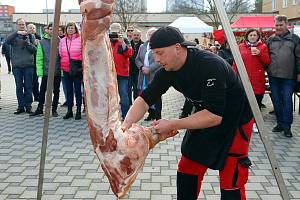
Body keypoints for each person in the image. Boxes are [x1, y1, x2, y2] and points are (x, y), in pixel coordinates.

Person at [122, 26, 253, 200]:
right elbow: (144, 99)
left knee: (231, 180)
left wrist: (173, 124)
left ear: (177, 48)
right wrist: (125, 127)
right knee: (188, 168)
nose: (156, 59)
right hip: (203, 116)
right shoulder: (167, 71)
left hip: (235, 120)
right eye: (154, 53)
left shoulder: (209, 65)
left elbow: (214, 115)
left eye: (160, 53)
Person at [266, 15, 300, 138]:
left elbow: (299, 57)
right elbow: (265, 57)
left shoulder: (295, 39)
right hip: (273, 76)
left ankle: (287, 127)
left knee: (286, 100)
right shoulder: (270, 39)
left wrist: (299, 73)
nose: (278, 27)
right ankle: (280, 124)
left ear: (286, 24)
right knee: (276, 101)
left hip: (289, 76)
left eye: (281, 25)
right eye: (276, 25)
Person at [233, 29, 270, 132]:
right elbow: (236, 62)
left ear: (258, 37)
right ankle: (243, 123)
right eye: (251, 35)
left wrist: (259, 54)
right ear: (247, 36)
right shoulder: (241, 46)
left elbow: (267, 62)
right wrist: (233, 74)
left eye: (255, 35)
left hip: (257, 80)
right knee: (243, 103)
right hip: (243, 80)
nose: (253, 37)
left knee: (256, 104)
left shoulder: (262, 47)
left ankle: (254, 123)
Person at [4, 18, 37, 114]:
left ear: (25, 25)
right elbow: (7, 41)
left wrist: (27, 44)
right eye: (20, 24)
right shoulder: (13, 36)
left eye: (23, 24)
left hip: (28, 66)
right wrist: (17, 33)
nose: (22, 26)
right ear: (17, 25)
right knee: (19, 87)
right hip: (17, 66)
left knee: (28, 86)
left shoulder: (31, 36)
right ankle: (21, 106)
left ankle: (28, 106)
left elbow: (34, 50)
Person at [30, 24, 61, 117]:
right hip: (46, 72)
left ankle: (54, 109)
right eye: (50, 29)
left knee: (56, 91)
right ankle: (40, 109)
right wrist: (40, 71)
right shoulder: (42, 42)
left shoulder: (61, 41)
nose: (52, 30)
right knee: (43, 90)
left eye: (54, 29)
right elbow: (39, 58)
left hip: (57, 71)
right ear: (47, 30)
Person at [135, 27, 161, 121]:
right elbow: (137, 59)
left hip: (154, 74)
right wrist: (142, 67)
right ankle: (151, 114)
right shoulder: (143, 46)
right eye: (149, 34)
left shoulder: (159, 46)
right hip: (143, 75)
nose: (151, 36)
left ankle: (158, 116)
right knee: (146, 93)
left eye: (153, 34)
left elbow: (159, 61)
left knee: (156, 94)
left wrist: (149, 69)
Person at [59, 22, 83, 120]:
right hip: (66, 68)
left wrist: (78, 60)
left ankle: (78, 111)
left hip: (77, 68)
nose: (70, 29)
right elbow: (60, 53)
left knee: (78, 90)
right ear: (66, 29)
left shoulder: (80, 39)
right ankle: (69, 110)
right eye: (69, 28)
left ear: (75, 29)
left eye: (72, 28)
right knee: (69, 90)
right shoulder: (62, 40)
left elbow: (84, 52)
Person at [110, 22, 133, 119]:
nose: (114, 34)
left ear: (120, 32)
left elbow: (129, 54)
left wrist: (121, 41)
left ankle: (125, 115)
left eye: (117, 32)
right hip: (110, 73)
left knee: (123, 95)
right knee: (110, 96)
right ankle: (111, 116)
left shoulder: (125, 40)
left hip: (122, 73)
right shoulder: (107, 40)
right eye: (113, 32)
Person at [128, 28, 143, 106]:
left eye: (137, 35)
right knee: (128, 89)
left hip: (139, 71)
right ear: (132, 36)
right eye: (134, 35)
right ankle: (129, 104)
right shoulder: (128, 44)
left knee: (137, 89)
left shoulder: (143, 45)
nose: (136, 36)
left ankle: (136, 105)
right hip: (129, 71)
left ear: (140, 36)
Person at [27, 23, 41, 102]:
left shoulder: (39, 38)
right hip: (28, 62)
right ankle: (29, 97)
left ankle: (37, 95)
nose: (32, 29)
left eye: (33, 28)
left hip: (36, 62)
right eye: (30, 28)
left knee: (35, 81)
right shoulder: (26, 37)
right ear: (27, 29)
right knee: (29, 81)